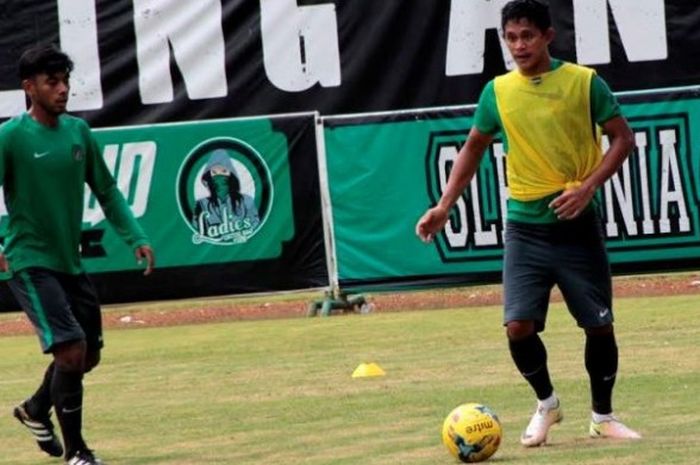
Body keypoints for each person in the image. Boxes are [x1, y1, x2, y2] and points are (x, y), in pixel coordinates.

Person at [416, 0, 641, 447]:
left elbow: (623, 138)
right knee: (518, 326)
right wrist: (444, 205)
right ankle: (547, 404)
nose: (519, 45)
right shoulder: (496, 92)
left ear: (547, 36)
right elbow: (474, 147)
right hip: (525, 228)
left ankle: (603, 416)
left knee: (598, 325)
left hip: (578, 227)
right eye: (511, 37)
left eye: (527, 36)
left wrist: (589, 186)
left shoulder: (583, 82)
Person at [0, 44, 155, 465]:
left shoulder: (78, 133)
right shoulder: (10, 137)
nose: (63, 89)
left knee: (87, 357)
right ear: (29, 88)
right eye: (53, 82)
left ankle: (34, 409)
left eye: (65, 81)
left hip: (70, 261)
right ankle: (78, 453)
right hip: (28, 260)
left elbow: (106, 190)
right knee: (69, 351)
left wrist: (135, 236)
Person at [192, 149, 260, 241]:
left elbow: (255, 221)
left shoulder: (246, 200)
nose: (219, 176)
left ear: (232, 175)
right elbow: (197, 228)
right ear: (208, 177)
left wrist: (245, 235)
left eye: (224, 171)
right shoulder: (202, 204)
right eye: (214, 173)